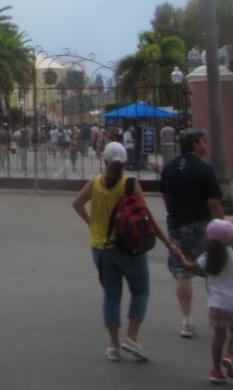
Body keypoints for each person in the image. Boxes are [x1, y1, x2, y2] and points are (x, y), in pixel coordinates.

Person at [72, 142, 179, 362]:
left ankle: (113, 346)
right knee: (140, 291)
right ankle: (132, 337)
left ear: (104, 161)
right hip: (129, 248)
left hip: (101, 249)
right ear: (126, 161)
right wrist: (168, 243)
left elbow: (76, 203)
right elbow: (146, 216)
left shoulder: (95, 183)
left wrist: (91, 223)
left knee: (111, 295)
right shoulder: (130, 184)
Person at [159, 129, 225, 338]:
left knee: (182, 270)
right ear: (195, 145)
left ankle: (187, 321)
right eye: (204, 141)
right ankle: (214, 314)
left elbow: (165, 196)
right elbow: (214, 203)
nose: (207, 145)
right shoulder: (205, 170)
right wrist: (222, 225)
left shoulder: (169, 167)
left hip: (177, 224)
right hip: (202, 224)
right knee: (211, 268)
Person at [183, 220, 233, 384]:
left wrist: (179, 256)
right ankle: (230, 356)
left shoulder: (207, 257)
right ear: (231, 239)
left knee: (219, 336)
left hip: (216, 303)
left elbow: (190, 267)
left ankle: (216, 370)